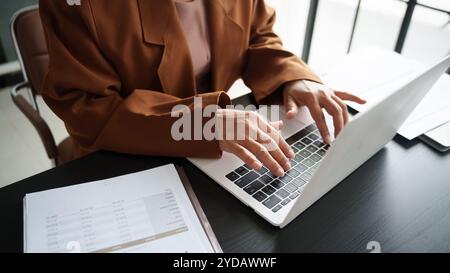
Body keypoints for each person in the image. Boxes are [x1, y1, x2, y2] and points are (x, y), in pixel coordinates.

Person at [39, 0, 365, 177]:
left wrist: (292, 75)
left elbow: (257, 36)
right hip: (125, 154)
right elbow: (88, 109)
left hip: (219, 149)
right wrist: (203, 123)